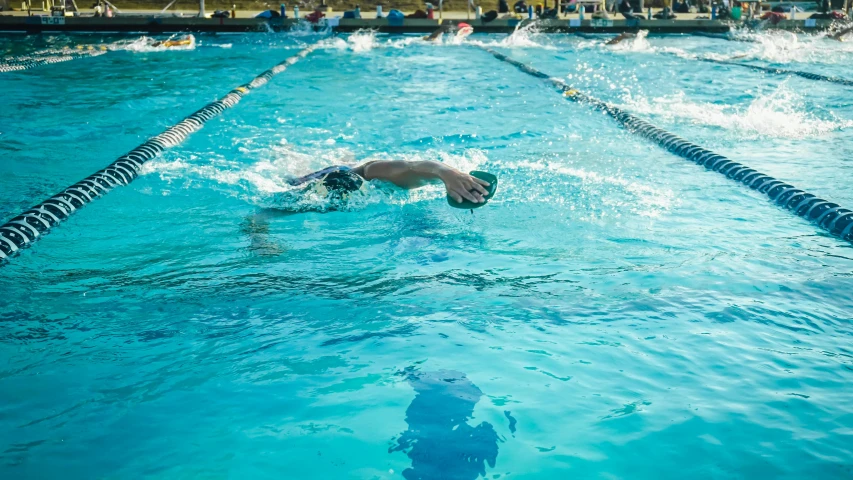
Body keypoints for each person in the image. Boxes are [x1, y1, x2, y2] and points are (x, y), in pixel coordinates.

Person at [289, 160, 492, 205]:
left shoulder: (371, 174)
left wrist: (448, 174)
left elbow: (411, 167)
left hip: (349, 169)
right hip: (310, 179)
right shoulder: (302, 198)